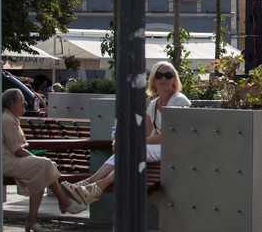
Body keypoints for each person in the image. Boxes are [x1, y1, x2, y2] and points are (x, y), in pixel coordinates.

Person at [62, 61, 191, 204]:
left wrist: (135, 143)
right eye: (159, 75)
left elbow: (172, 136)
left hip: (178, 149)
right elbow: (146, 135)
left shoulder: (179, 101)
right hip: (163, 147)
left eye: (168, 75)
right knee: (128, 149)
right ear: (153, 79)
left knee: (135, 149)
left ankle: (99, 186)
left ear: (174, 80)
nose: (163, 79)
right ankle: (87, 183)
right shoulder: (154, 104)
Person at [0, 89, 86, 232]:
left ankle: (33, 220)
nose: (25, 103)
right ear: (12, 103)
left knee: (41, 172)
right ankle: (63, 202)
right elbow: (17, 149)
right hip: (2, 162)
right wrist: (35, 159)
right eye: (21, 100)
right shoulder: (6, 120)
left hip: (1, 161)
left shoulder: (6, 117)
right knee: (44, 165)